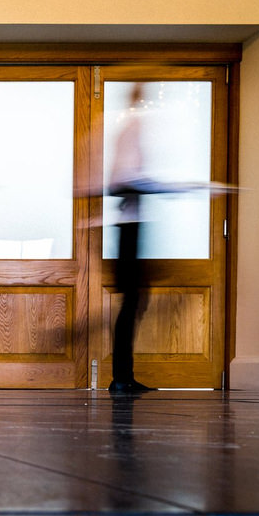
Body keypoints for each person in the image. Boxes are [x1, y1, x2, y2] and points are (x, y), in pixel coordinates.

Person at [106, 83, 156, 394]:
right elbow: (119, 181)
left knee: (135, 300)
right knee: (131, 301)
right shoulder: (130, 129)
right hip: (128, 226)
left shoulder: (133, 128)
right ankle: (121, 377)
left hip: (132, 224)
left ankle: (124, 376)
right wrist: (149, 183)